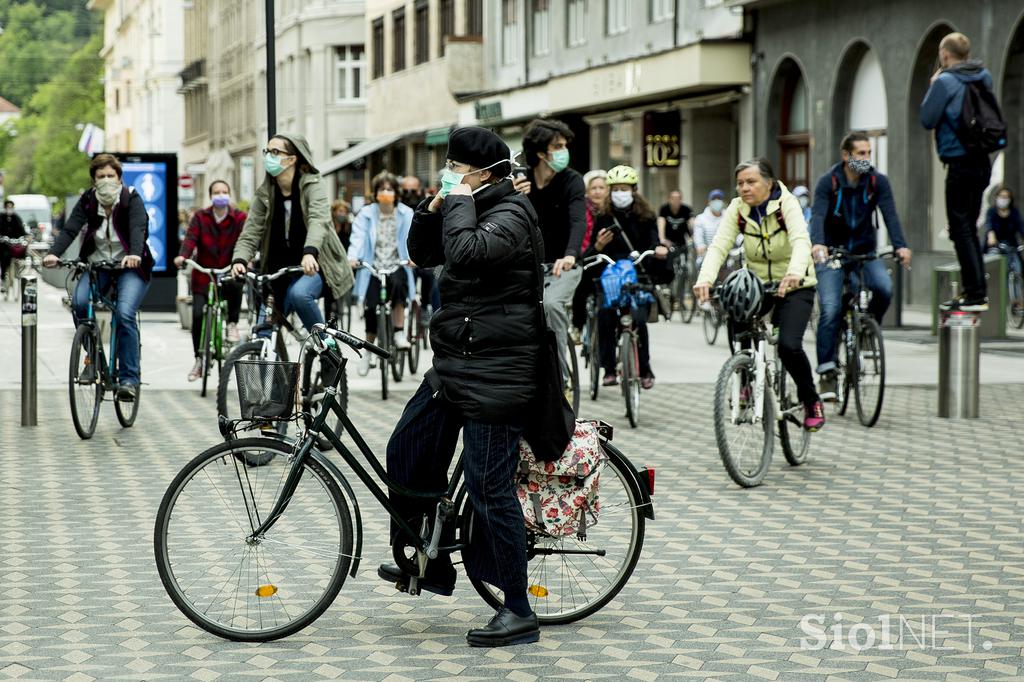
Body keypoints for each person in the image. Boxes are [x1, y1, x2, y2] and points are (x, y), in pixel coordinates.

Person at [379, 126, 543, 647]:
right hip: (459, 363)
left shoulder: (512, 214)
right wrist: (434, 207)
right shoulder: (467, 204)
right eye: (447, 167)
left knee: (489, 485)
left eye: (459, 168)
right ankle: (431, 562)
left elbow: (468, 252)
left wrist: (458, 203)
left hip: (500, 371)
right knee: (407, 444)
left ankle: (518, 611)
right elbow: (425, 253)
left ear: (488, 173)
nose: (450, 175)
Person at [693, 158, 825, 432]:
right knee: (738, 323)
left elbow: (801, 240)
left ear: (768, 182)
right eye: (740, 183)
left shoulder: (787, 204)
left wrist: (794, 272)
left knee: (789, 345)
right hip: (758, 285)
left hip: (795, 284)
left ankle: (811, 400)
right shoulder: (737, 209)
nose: (744, 188)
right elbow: (718, 246)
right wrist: (704, 279)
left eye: (751, 182)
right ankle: (746, 381)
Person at [42, 154, 153, 401]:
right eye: (100, 176)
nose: (105, 181)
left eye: (110, 176)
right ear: (94, 180)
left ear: (119, 177)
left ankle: (128, 379)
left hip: (130, 267)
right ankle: (92, 359)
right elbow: (71, 228)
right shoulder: (89, 200)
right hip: (98, 265)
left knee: (124, 314)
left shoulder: (130, 198)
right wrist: (53, 254)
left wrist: (134, 253)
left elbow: (138, 228)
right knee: (80, 302)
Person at [810, 132, 912, 396]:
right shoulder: (828, 182)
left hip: (865, 252)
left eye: (869, 153)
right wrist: (818, 244)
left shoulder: (877, 182)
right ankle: (827, 371)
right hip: (832, 253)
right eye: (861, 153)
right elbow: (818, 216)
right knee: (831, 308)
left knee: (883, 288)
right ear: (846, 156)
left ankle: (868, 329)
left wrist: (901, 245)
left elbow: (890, 214)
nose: (867, 158)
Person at [230, 133, 353, 339]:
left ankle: (328, 350)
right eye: (267, 151)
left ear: (292, 159)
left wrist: (310, 252)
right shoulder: (265, 193)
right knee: (263, 332)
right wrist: (240, 259)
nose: (269, 156)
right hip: (279, 271)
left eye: (275, 152)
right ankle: (269, 363)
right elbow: (251, 231)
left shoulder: (312, 185)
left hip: (314, 266)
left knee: (300, 295)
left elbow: (318, 220)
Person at [920, 32, 996, 312]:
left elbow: (927, 118)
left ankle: (974, 292)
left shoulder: (945, 81)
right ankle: (976, 290)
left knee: (959, 228)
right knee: (968, 227)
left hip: (959, 163)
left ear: (945, 55)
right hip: (982, 161)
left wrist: (933, 86)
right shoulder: (983, 76)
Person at [513, 118, 587, 386]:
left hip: (563, 265)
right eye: (557, 146)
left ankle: (560, 379)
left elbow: (579, 220)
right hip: (527, 267)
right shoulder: (521, 180)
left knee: (553, 305)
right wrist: (513, 196)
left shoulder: (572, 181)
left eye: (565, 145)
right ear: (541, 152)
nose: (563, 150)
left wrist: (570, 254)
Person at [591, 165, 668, 389]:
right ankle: (608, 369)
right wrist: (598, 246)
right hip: (611, 277)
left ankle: (645, 370)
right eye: (615, 189)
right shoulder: (603, 216)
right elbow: (592, 254)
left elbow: (654, 243)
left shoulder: (646, 215)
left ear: (633, 189)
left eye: (624, 188)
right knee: (605, 316)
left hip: (638, 274)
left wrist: (659, 250)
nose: (619, 193)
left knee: (639, 320)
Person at [174, 180, 247, 381]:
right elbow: (191, 238)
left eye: (224, 191)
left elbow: (245, 240)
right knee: (197, 315)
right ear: (210, 195)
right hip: (204, 274)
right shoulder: (200, 217)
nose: (221, 194)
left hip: (228, 270)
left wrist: (241, 262)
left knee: (236, 283)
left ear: (230, 194)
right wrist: (183, 256)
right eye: (216, 192)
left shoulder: (239, 217)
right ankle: (199, 359)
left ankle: (232, 323)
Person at [347, 171, 416, 375]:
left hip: (397, 263)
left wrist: (414, 257)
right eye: (382, 189)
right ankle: (367, 353)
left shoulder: (406, 213)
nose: (386, 192)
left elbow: (414, 237)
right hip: (373, 267)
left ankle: (398, 333)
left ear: (396, 193)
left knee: (398, 287)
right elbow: (357, 237)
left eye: (389, 189)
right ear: (376, 193)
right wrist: (353, 257)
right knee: (371, 306)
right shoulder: (366, 213)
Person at [570, 169, 610, 335]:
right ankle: (578, 326)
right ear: (587, 191)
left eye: (602, 187)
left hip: (610, 259)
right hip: (586, 256)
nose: (598, 191)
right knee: (582, 285)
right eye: (594, 188)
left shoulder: (612, 210)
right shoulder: (581, 210)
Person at [399, 174, 441, 316]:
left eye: (413, 190)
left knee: (430, 275)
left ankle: (425, 306)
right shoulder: (398, 208)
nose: (409, 194)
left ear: (420, 189)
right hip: (402, 258)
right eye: (406, 191)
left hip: (422, 256)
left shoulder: (428, 205)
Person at [984, 186, 1024, 278]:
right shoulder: (991, 212)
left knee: (1018, 268)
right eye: (1001, 196)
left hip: (1011, 246)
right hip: (995, 246)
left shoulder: (1014, 212)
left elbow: (1021, 228)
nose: (1003, 199)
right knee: (994, 269)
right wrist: (991, 236)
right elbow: (989, 225)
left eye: (1006, 197)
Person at [692, 189, 727, 268]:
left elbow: (737, 233)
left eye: (719, 199)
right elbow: (698, 236)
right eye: (714, 199)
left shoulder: (729, 216)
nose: (717, 201)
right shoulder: (701, 218)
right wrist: (700, 245)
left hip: (725, 255)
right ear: (709, 202)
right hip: (706, 255)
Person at [0, 199, 28, 291]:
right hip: (4, 244)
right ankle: (3, 279)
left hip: (15, 244)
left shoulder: (16, 218)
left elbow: (22, 230)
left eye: (11, 207)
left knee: (23, 250)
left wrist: (25, 237)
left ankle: (20, 269)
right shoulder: (1, 217)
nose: (9, 209)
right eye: (8, 207)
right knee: (4, 258)